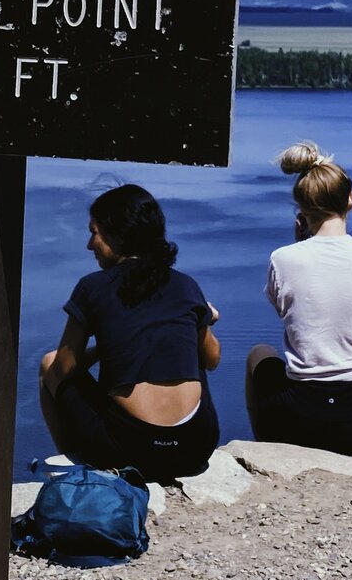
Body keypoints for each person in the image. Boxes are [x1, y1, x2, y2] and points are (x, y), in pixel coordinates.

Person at [38, 184, 223, 481]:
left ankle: (80, 469)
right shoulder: (187, 285)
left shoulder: (93, 287)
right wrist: (203, 321)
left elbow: (64, 367)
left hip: (127, 450)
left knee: (48, 363)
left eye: (94, 232)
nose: (89, 245)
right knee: (190, 351)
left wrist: (103, 344)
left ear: (118, 234)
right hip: (195, 446)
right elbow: (212, 360)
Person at [246, 141, 352, 458]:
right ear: (350, 200)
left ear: (301, 208)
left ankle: (267, 441)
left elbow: (293, 314)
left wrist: (300, 245)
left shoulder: (282, 259)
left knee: (259, 353)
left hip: (301, 419)